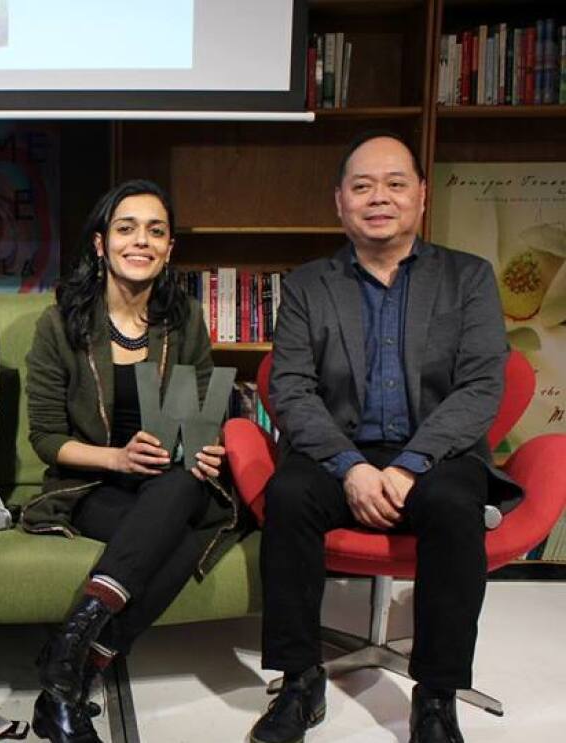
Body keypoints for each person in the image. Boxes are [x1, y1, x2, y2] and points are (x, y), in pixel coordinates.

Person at [249, 132, 518, 743]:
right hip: (339, 452)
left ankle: (436, 695)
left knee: (454, 507)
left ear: (421, 197)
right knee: (288, 496)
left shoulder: (468, 278)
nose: (380, 198)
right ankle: (298, 680)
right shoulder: (308, 285)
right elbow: (290, 389)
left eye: (395, 184)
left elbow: (480, 387)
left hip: (436, 453)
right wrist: (350, 466)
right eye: (362, 186)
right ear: (339, 201)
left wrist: (411, 465)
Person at [21, 180, 240, 743]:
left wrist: (205, 446)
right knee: (181, 537)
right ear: (101, 244)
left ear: (169, 249)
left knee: (182, 484)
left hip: (170, 483)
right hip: (93, 485)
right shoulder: (60, 325)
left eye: (155, 230)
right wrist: (117, 457)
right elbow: (47, 439)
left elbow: (198, 414)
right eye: (126, 228)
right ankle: (76, 667)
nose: (140, 240)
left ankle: (68, 663)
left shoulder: (184, 319)